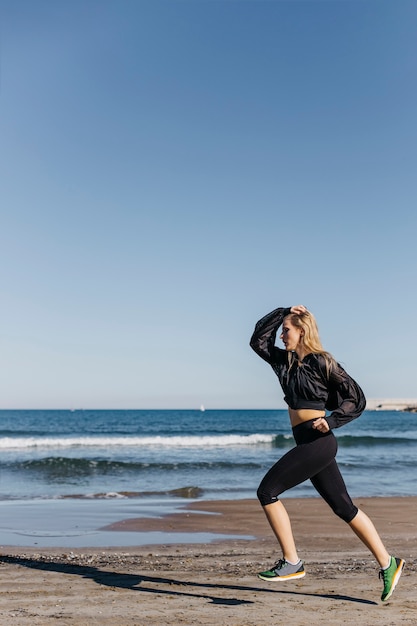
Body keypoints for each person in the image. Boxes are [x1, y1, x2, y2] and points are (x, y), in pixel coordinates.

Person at [250, 304, 404, 602]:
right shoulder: (283, 363)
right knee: (344, 508)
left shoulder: (322, 362)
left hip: (318, 442)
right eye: (282, 330)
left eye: (287, 330)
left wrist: (331, 420)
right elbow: (258, 339)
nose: (281, 336)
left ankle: (292, 562)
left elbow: (356, 398)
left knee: (267, 491)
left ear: (302, 331)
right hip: (306, 442)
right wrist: (282, 310)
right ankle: (389, 563)